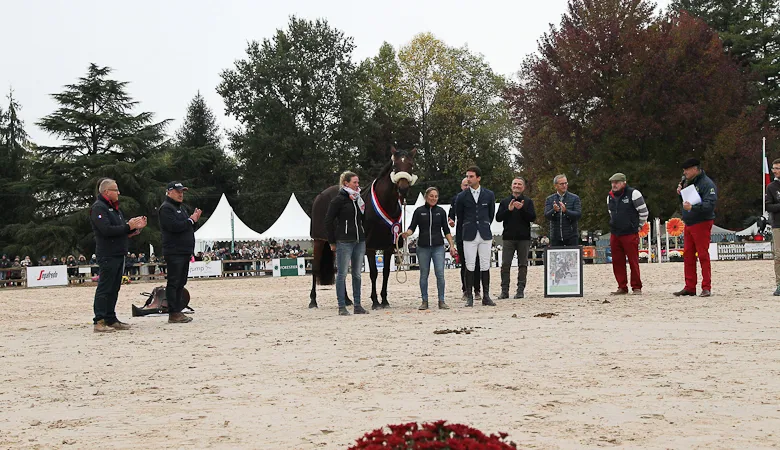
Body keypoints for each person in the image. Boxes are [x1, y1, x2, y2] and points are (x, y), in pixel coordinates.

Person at [89, 178, 147, 332]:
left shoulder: (115, 209)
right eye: (116, 190)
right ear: (107, 192)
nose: (119, 192)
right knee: (105, 288)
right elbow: (106, 230)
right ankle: (99, 320)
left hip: (118, 253)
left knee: (114, 288)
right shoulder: (98, 208)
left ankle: (110, 318)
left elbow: (119, 230)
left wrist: (133, 230)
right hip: (107, 254)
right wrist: (128, 226)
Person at [400, 187, 457, 310]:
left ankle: (441, 300)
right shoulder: (419, 211)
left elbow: (446, 230)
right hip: (423, 247)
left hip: (438, 247)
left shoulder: (441, 211)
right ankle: (424, 301)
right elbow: (412, 227)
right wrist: (407, 234)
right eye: (431, 196)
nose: (434, 198)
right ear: (426, 197)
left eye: (436, 196)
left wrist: (451, 245)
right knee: (423, 275)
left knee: (440, 274)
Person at [324, 171, 368, 316]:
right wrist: (332, 240)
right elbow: (328, 220)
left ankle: (357, 305)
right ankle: (341, 306)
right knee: (342, 274)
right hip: (344, 240)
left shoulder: (358, 199)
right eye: (354, 182)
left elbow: (363, 219)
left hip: (359, 240)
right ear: (346, 183)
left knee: (357, 274)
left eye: (358, 182)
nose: (357, 185)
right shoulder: (338, 200)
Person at [673, 158, 717, 297]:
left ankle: (706, 286)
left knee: (703, 255)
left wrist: (694, 207)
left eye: (687, 170)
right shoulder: (687, 182)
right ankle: (690, 286)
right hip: (690, 222)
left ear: (695, 169)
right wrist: (681, 195)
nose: (684, 173)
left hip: (702, 222)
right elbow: (686, 201)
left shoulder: (707, 184)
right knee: (688, 255)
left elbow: (710, 204)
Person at [159, 181, 202, 323]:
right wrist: (190, 220)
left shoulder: (181, 208)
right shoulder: (166, 208)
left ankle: (177, 310)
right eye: (178, 191)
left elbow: (187, 228)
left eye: (182, 191)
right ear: (169, 192)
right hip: (174, 251)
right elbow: (174, 227)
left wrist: (194, 221)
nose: (180, 194)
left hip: (184, 251)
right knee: (174, 282)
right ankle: (173, 312)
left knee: (181, 282)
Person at [455, 166, 496, 307]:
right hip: (469, 233)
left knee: (485, 264)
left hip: (484, 232)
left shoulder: (489, 194)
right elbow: (460, 216)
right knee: (469, 264)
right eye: (467, 176)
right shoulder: (461, 197)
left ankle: (486, 295)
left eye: (471, 176)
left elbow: (491, 214)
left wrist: (483, 224)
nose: (469, 179)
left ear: (478, 178)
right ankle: (469, 296)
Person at [606, 173, 649, 295]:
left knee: (633, 261)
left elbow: (644, 212)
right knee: (617, 262)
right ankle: (622, 286)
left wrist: (638, 226)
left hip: (630, 233)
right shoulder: (609, 196)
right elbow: (611, 212)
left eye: (617, 182)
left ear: (623, 182)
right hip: (615, 233)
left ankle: (636, 287)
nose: (614, 185)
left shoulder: (634, 194)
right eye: (612, 182)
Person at [496, 177, 537, 299]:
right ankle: (504, 291)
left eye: (519, 184)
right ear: (511, 186)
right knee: (505, 265)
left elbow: (532, 218)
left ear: (523, 187)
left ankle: (520, 290)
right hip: (508, 237)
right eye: (515, 184)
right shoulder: (504, 201)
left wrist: (522, 209)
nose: (517, 186)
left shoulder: (528, 202)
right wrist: (508, 210)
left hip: (523, 238)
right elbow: (498, 218)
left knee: (523, 264)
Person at [448, 177, 482, 302]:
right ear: (461, 186)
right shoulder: (456, 199)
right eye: (465, 185)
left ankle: (477, 290)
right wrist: (451, 220)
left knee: (477, 262)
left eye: (468, 184)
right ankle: (466, 290)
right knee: (464, 263)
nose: (467, 187)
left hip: (476, 233)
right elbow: (451, 215)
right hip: (462, 233)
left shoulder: (477, 197)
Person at [544, 174, 582, 246]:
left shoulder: (575, 198)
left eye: (565, 183)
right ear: (556, 186)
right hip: (555, 237)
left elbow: (578, 215)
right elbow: (547, 215)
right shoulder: (550, 199)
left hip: (571, 237)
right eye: (561, 184)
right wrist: (554, 210)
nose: (564, 185)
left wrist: (566, 211)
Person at [766, 158, 780, 295]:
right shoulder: (771, 187)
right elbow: (768, 205)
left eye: (777, 168)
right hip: (778, 224)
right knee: (779, 256)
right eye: (773, 168)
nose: (774, 171)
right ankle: (779, 284)